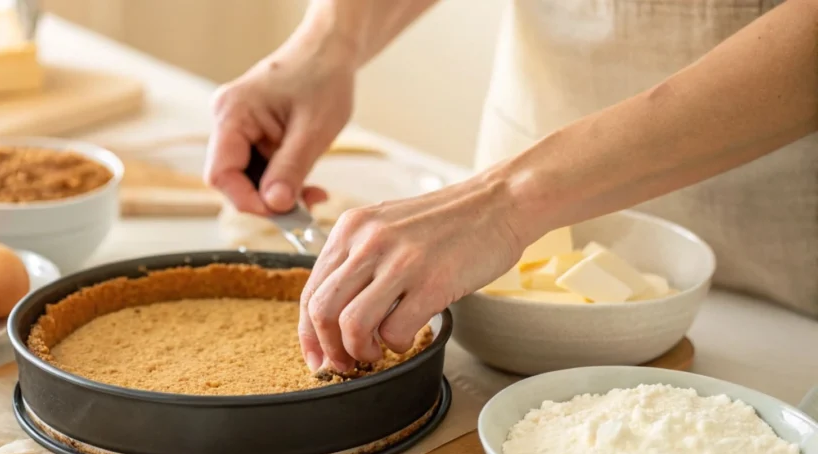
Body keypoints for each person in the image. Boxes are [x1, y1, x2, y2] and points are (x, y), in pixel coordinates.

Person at [205, 0, 818, 373]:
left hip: (787, 237)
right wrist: (328, 42)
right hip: (520, 185)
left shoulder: (501, 205)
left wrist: (506, 202)